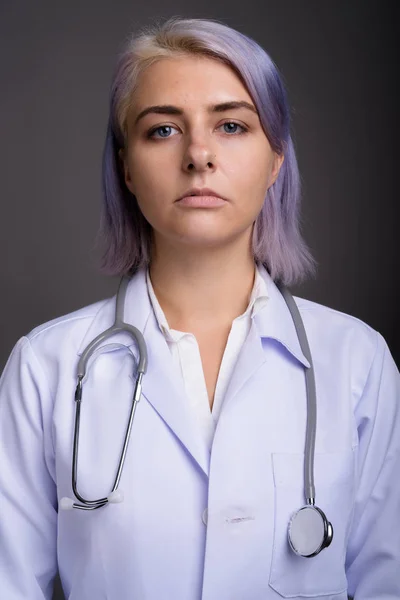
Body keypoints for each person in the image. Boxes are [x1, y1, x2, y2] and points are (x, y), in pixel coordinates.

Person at [0, 15, 399, 600]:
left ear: (276, 161)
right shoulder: (45, 367)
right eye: (163, 131)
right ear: (126, 169)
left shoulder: (357, 362)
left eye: (232, 125)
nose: (199, 155)